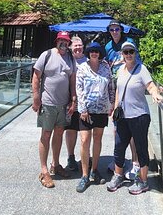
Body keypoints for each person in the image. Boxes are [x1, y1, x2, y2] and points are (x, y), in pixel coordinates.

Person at [107, 41, 162, 195]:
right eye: (126, 52)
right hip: (123, 116)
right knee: (119, 146)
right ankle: (118, 175)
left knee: (141, 148)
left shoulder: (141, 69)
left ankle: (143, 181)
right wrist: (116, 109)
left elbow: (150, 85)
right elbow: (119, 90)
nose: (129, 55)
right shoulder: (121, 70)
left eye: (131, 51)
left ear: (136, 53)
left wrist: (155, 94)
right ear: (122, 55)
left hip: (139, 116)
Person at [32, 31, 77, 188]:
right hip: (48, 103)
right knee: (46, 133)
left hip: (63, 103)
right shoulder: (47, 55)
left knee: (59, 132)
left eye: (66, 41)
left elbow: (72, 80)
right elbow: (36, 76)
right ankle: (44, 171)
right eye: (61, 40)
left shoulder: (70, 58)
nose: (64, 43)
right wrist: (36, 98)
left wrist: (73, 99)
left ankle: (55, 164)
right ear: (57, 41)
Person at [75, 41, 114, 193]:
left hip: (102, 110)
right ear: (88, 53)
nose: (94, 53)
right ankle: (84, 175)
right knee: (85, 140)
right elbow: (79, 88)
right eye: (92, 51)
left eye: (96, 51)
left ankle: (94, 170)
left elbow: (111, 86)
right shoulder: (83, 68)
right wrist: (83, 108)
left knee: (98, 138)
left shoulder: (105, 68)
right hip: (86, 110)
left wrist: (111, 104)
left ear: (100, 53)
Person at [105, 20, 141, 179]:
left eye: (117, 29)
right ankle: (119, 161)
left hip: (130, 88)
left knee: (132, 128)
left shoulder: (129, 43)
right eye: (112, 29)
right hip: (115, 89)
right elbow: (107, 65)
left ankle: (135, 163)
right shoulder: (107, 46)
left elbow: (137, 61)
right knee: (117, 126)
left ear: (121, 30)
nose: (114, 31)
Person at [63, 36, 86, 172]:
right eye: (75, 45)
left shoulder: (89, 60)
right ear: (71, 47)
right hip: (70, 100)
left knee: (86, 130)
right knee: (71, 129)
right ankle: (71, 156)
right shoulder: (67, 59)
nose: (77, 48)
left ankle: (86, 156)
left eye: (80, 45)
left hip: (85, 102)